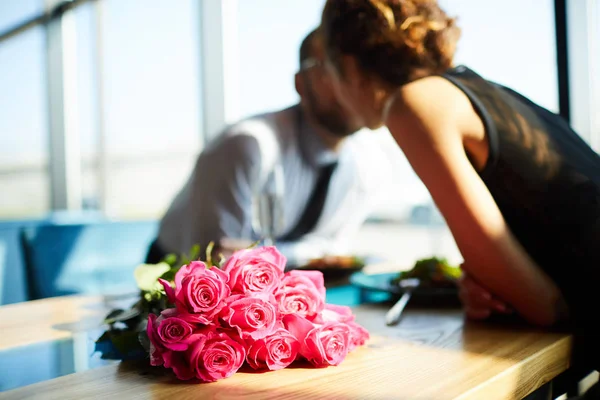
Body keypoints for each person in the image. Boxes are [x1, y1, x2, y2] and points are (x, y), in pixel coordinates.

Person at [320, 0, 600, 382]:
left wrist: (504, 285)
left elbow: (546, 307)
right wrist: (489, 284)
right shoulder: (484, 91)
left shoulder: (413, 103)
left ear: (349, 66)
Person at [146, 28, 388, 267]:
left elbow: (336, 252)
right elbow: (218, 262)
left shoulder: (369, 161)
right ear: (301, 84)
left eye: (357, 70)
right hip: (173, 275)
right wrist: (307, 254)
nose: (351, 83)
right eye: (331, 69)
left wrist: (266, 254)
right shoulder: (247, 146)